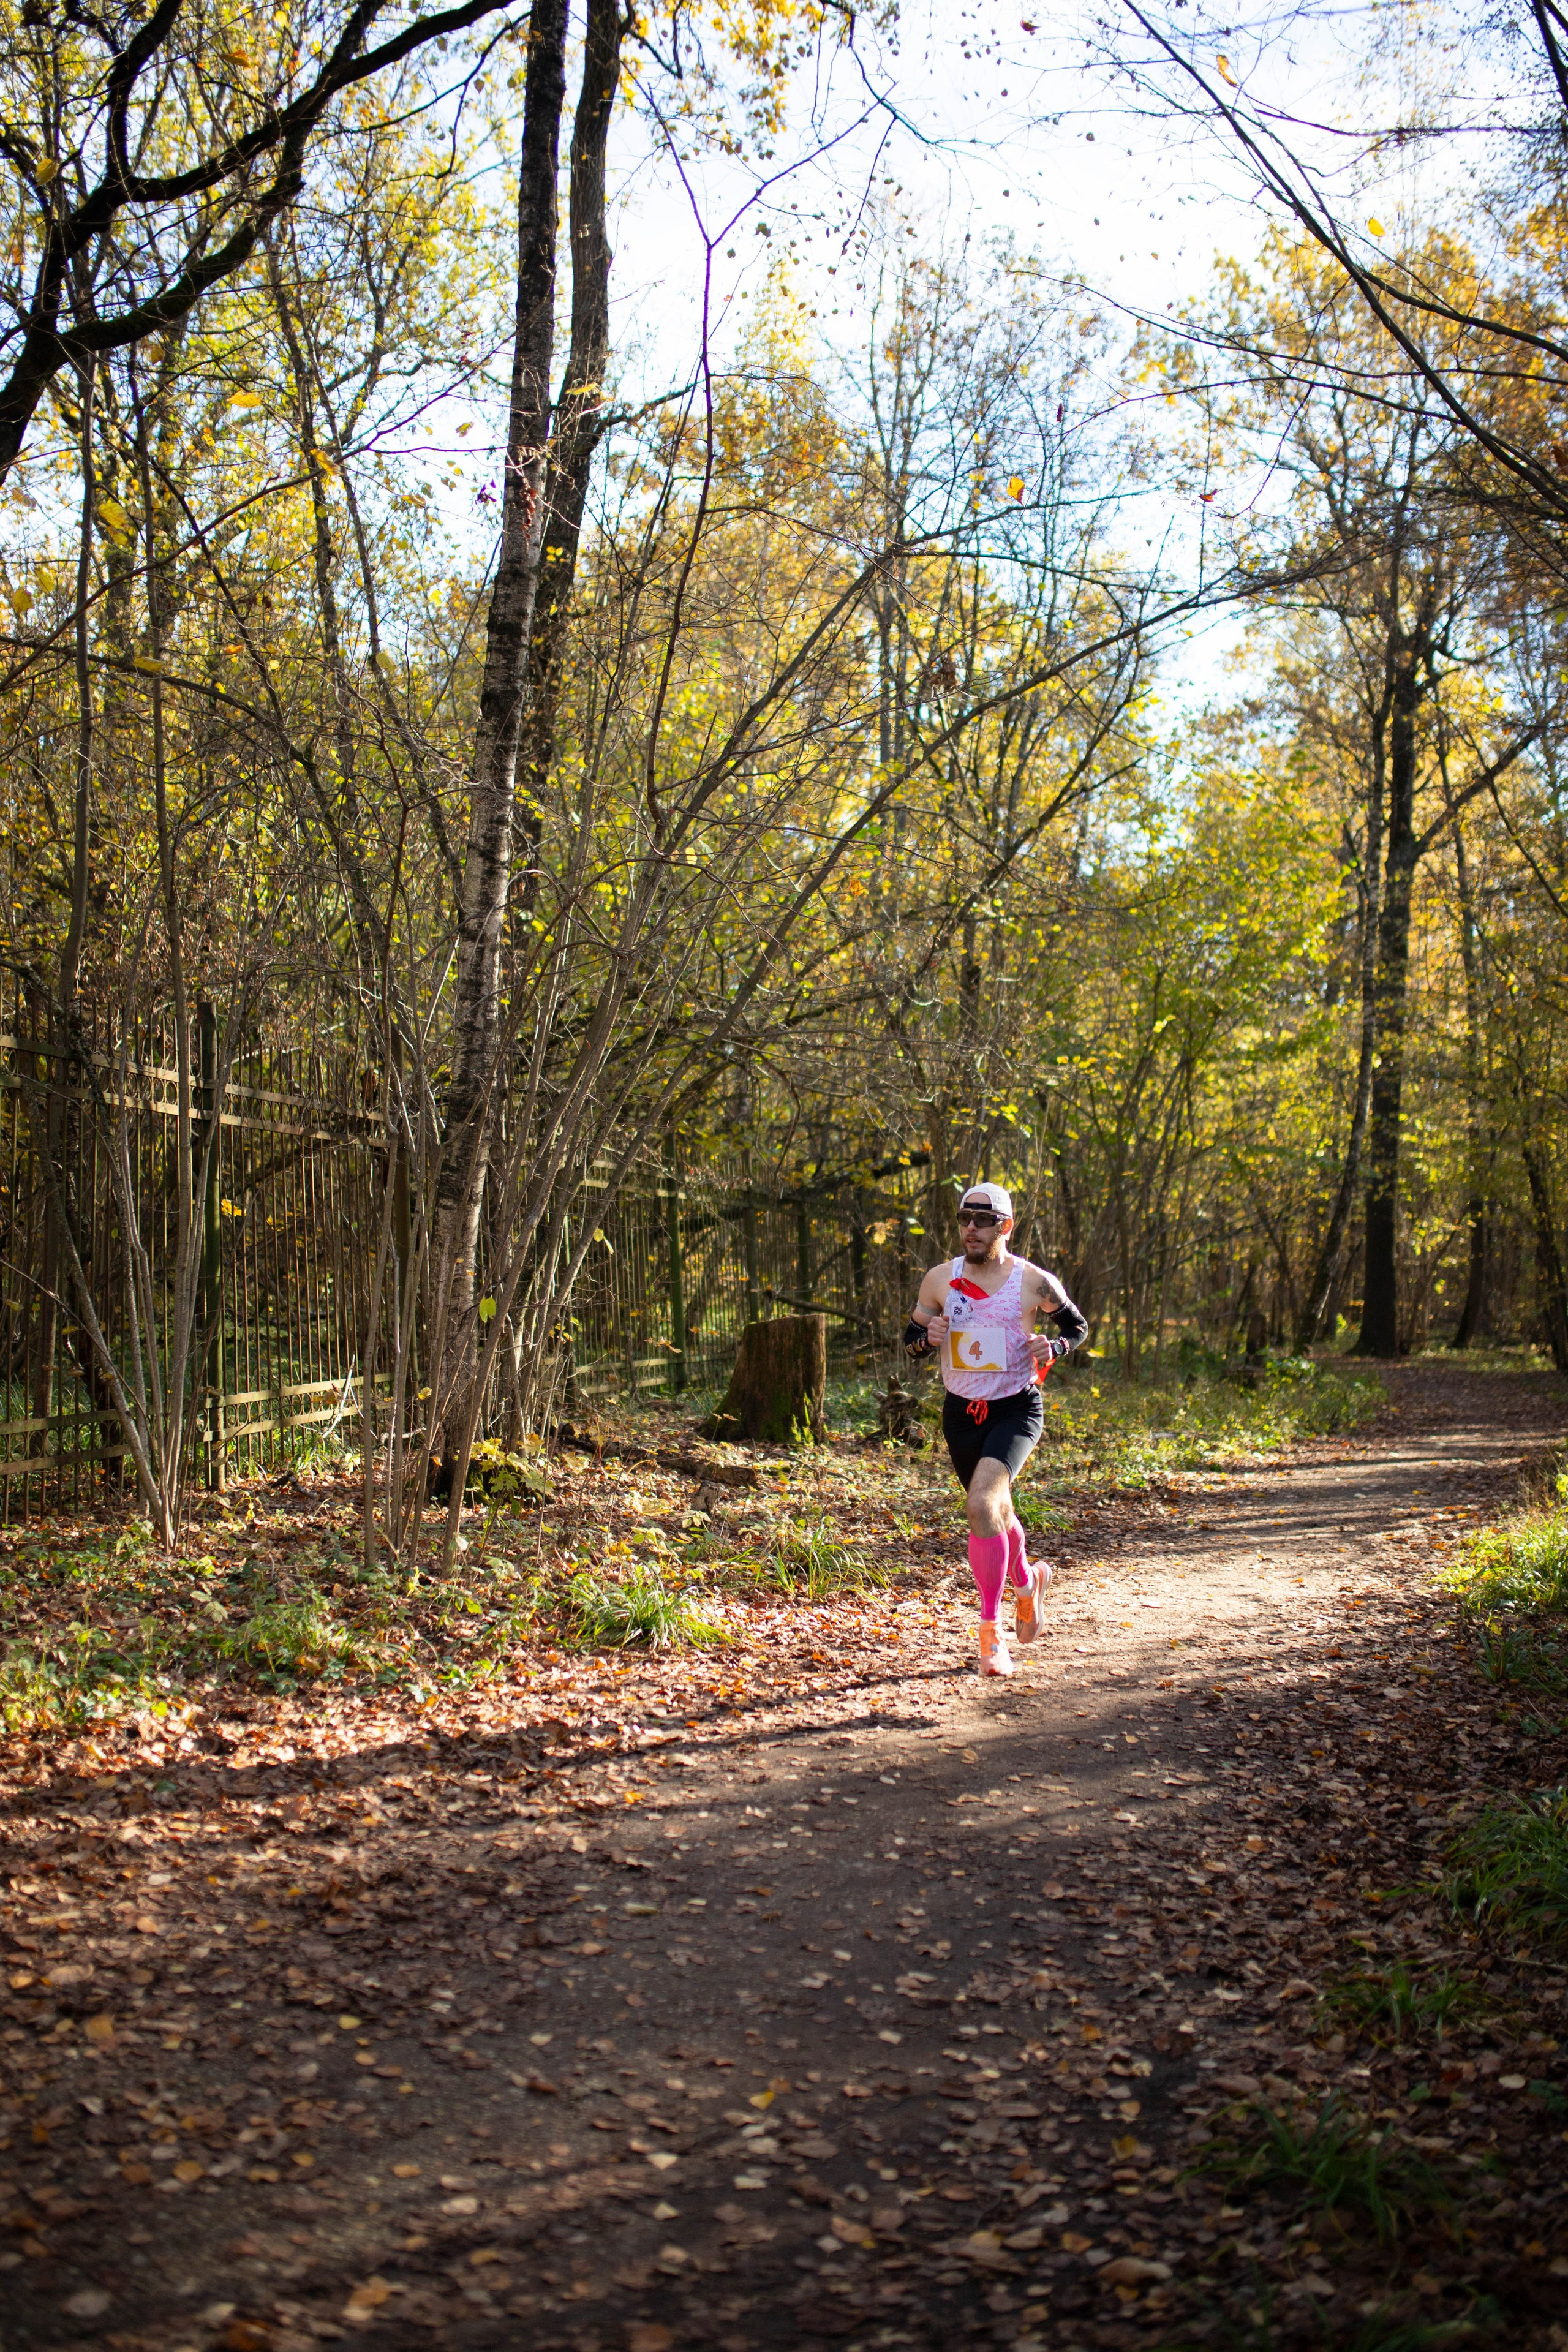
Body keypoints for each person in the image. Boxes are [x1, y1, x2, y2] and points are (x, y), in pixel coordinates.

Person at [904, 1183, 1089, 1676]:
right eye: (965, 1219)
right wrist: (927, 1339)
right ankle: (1028, 1583)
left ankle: (991, 1635)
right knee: (994, 1512)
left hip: (1016, 1409)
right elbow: (911, 1338)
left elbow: (1077, 1328)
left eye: (983, 1221)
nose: (971, 1228)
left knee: (981, 1504)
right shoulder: (940, 1280)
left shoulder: (1033, 1282)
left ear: (1005, 1226)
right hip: (961, 1413)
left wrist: (1055, 1348)